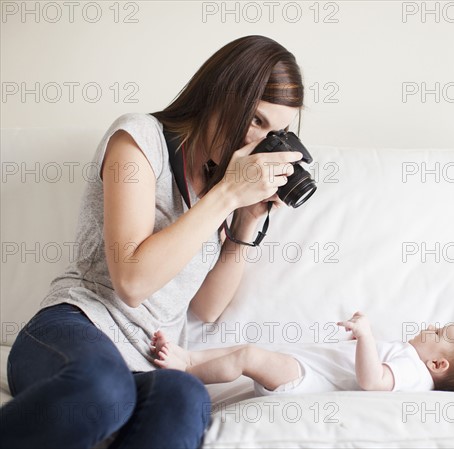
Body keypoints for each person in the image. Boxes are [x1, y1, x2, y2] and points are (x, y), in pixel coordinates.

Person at [1, 35, 305, 449]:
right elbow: (132, 281)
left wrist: (247, 219)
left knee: (185, 398)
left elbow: (206, 307)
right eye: (256, 120)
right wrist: (228, 196)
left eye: (277, 131)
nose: (261, 144)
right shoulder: (140, 138)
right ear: (219, 95)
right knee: (105, 389)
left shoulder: (224, 182)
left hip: (151, 360)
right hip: (76, 329)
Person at [151, 312, 454, 395]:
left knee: (247, 357)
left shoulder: (415, 373)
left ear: (438, 364)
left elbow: (371, 381)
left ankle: (186, 374)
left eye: (439, 333)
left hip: (305, 380)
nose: (431, 327)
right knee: (243, 352)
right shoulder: (411, 360)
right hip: (304, 367)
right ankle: (190, 357)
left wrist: (366, 336)